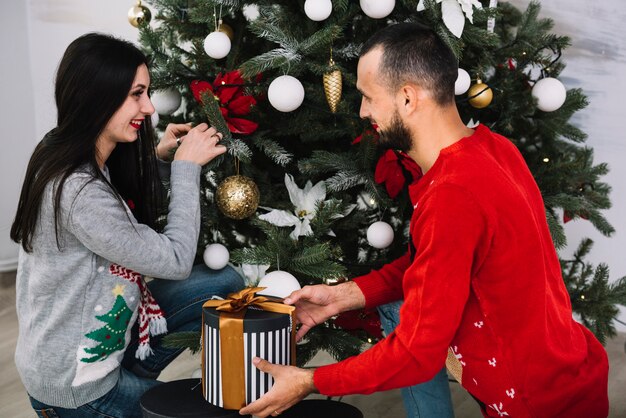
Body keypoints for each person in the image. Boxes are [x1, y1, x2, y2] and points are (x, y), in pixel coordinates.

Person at [239, 22, 610, 418]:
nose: (363, 111)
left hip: (541, 406)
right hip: (571, 373)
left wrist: (311, 381)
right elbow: (441, 262)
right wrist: (344, 296)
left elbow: (417, 353)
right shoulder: (492, 148)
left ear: (408, 98)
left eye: (368, 97)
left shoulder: (452, 195)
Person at [10, 33, 245, 418]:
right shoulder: (78, 190)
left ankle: (134, 367)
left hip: (105, 338)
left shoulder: (64, 149)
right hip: (79, 388)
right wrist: (187, 169)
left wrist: (160, 160)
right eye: (137, 94)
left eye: (147, 92)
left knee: (224, 284)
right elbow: (174, 260)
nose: (150, 107)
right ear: (97, 95)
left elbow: (113, 205)